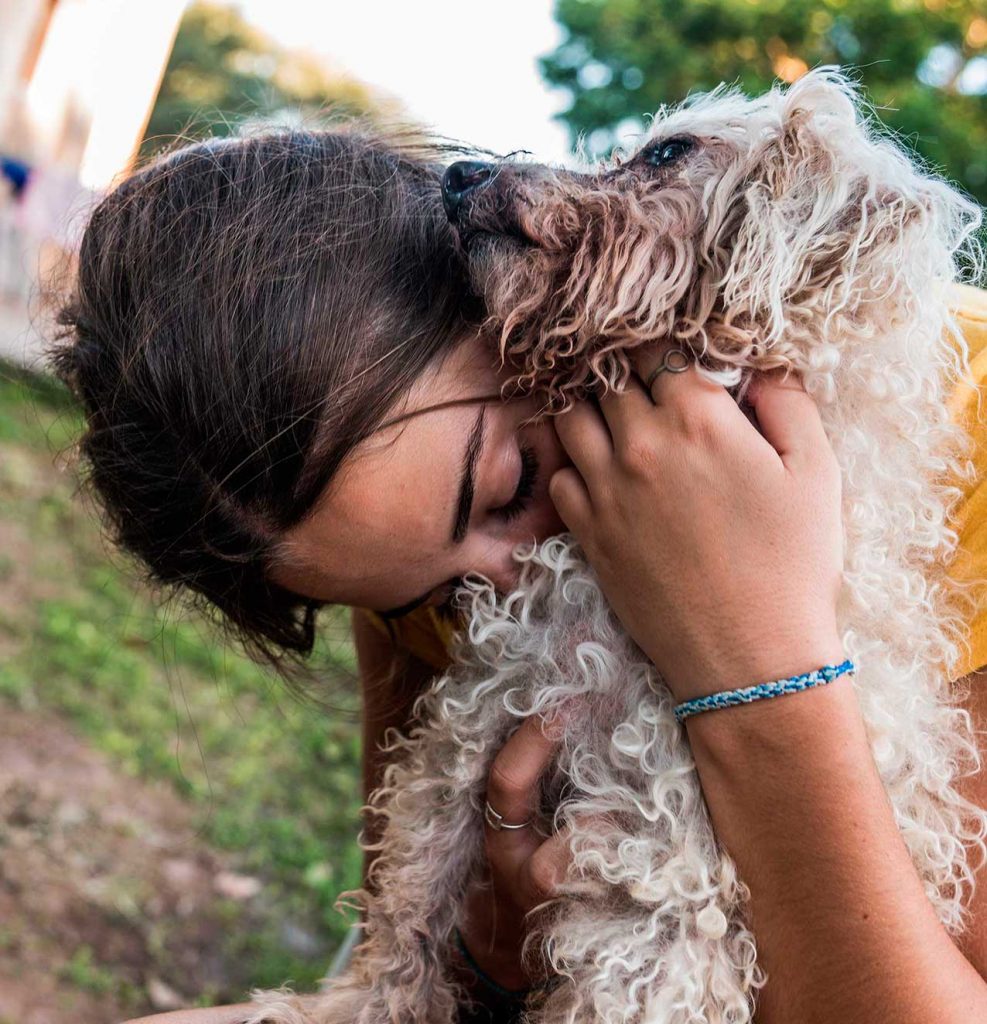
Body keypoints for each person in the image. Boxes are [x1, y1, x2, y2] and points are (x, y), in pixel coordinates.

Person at [50, 127, 987, 1024]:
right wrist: (493, 959)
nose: (503, 589)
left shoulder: (964, 440)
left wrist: (755, 653)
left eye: (513, 487)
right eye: (434, 598)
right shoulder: (415, 539)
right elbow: (405, 970)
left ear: (531, 294)